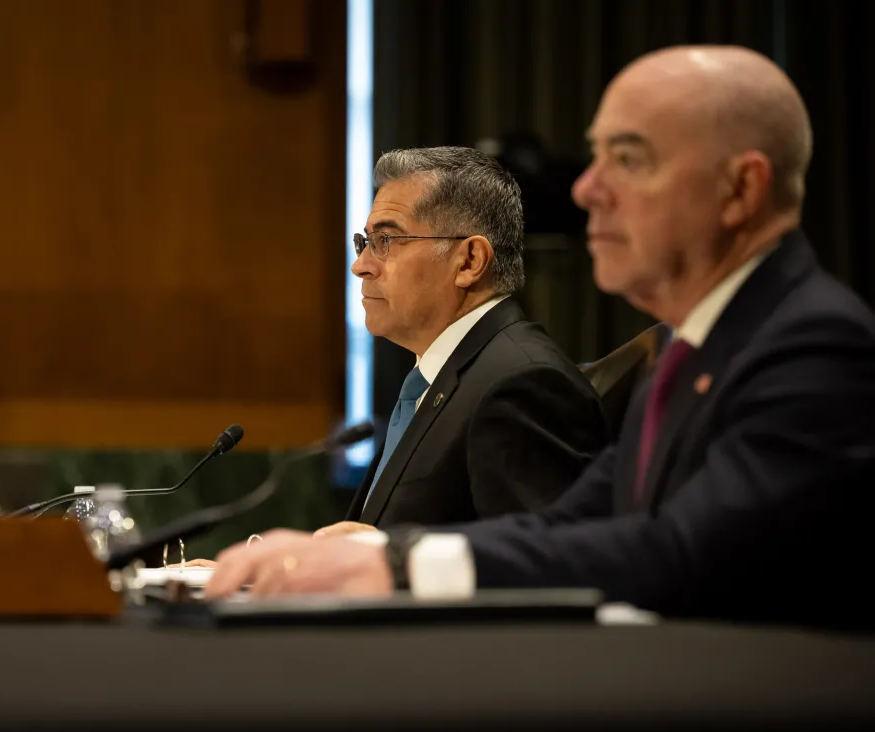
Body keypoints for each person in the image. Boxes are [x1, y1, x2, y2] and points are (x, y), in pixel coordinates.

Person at [206, 45, 875, 630]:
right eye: (594, 157)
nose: (587, 189)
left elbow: (681, 550)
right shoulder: (700, 346)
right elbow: (572, 526)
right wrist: (376, 555)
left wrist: (399, 562)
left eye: (628, 158)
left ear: (740, 189)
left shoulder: (814, 344)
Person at [317, 146, 606, 537]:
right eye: (365, 242)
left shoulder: (521, 383)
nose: (361, 265)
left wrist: (393, 559)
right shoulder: (448, 376)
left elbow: (543, 572)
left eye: (387, 240)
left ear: (469, 261)